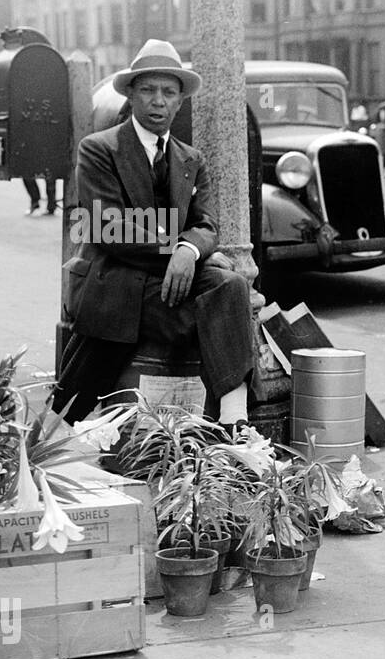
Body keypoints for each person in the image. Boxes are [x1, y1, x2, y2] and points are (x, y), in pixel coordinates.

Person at [53, 39, 255, 427]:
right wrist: (174, 249)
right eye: (147, 90)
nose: (158, 101)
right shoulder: (98, 150)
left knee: (229, 286)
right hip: (113, 281)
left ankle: (236, 421)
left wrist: (191, 251)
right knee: (215, 309)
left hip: (168, 282)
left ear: (180, 102)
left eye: (168, 92)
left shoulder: (190, 159)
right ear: (130, 95)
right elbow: (105, 226)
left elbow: (206, 224)